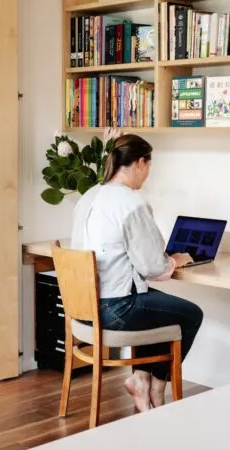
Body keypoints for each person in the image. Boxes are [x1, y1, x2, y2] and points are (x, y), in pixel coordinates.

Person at [70, 133, 204, 411]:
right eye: (148, 168)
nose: (147, 176)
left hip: (87, 308)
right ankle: (157, 384)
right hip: (116, 308)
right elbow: (153, 266)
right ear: (140, 163)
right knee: (190, 314)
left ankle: (141, 379)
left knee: (153, 304)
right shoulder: (132, 203)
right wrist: (175, 261)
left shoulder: (90, 196)